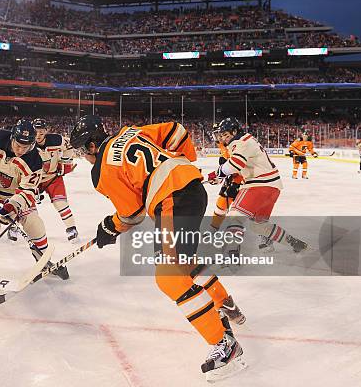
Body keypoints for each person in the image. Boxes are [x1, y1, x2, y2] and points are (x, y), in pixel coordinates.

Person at [70, 115, 245, 381]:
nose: (84, 157)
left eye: (83, 150)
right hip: (192, 188)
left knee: (169, 278)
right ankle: (225, 304)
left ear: (93, 146)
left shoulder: (101, 169)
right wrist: (184, 165)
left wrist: (110, 227)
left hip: (173, 198)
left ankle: (224, 344)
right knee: (184, 263)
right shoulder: (130, 133)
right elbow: (177, 131)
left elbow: (132, 212)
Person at [0, 120, 69, 280]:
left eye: (26, 147)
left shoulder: (34, 161)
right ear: (12, 137)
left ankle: (42, 259)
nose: (21, 150)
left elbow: (28, 191)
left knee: (34, 223)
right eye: (18, 145)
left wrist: (13, 205)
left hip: (14, 195)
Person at [207, 118, 308, 254]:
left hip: (259, 185)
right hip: (273, 187)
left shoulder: (240, 142)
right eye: (222, 135)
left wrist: (217, 173)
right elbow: (236, 167)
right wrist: (220, 175)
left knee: (235, 215)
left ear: (235, 131)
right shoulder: (246, 140)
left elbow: (235, 164)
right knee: (259, 226)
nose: (224, 138)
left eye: (226, 134)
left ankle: (232, 255)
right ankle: (295, 243)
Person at [31, 118, 79, 243]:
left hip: (53, 177)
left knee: (61, 204)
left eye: (41, 132)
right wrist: (33, 187)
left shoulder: (57, 140)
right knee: (26, 206)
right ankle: (17, 228)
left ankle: (71, 229)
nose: (38, 135)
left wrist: (64, 164)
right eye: (36, 132)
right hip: (33, 179)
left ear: (46, 131)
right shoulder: (27, 143)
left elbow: (69, 147)